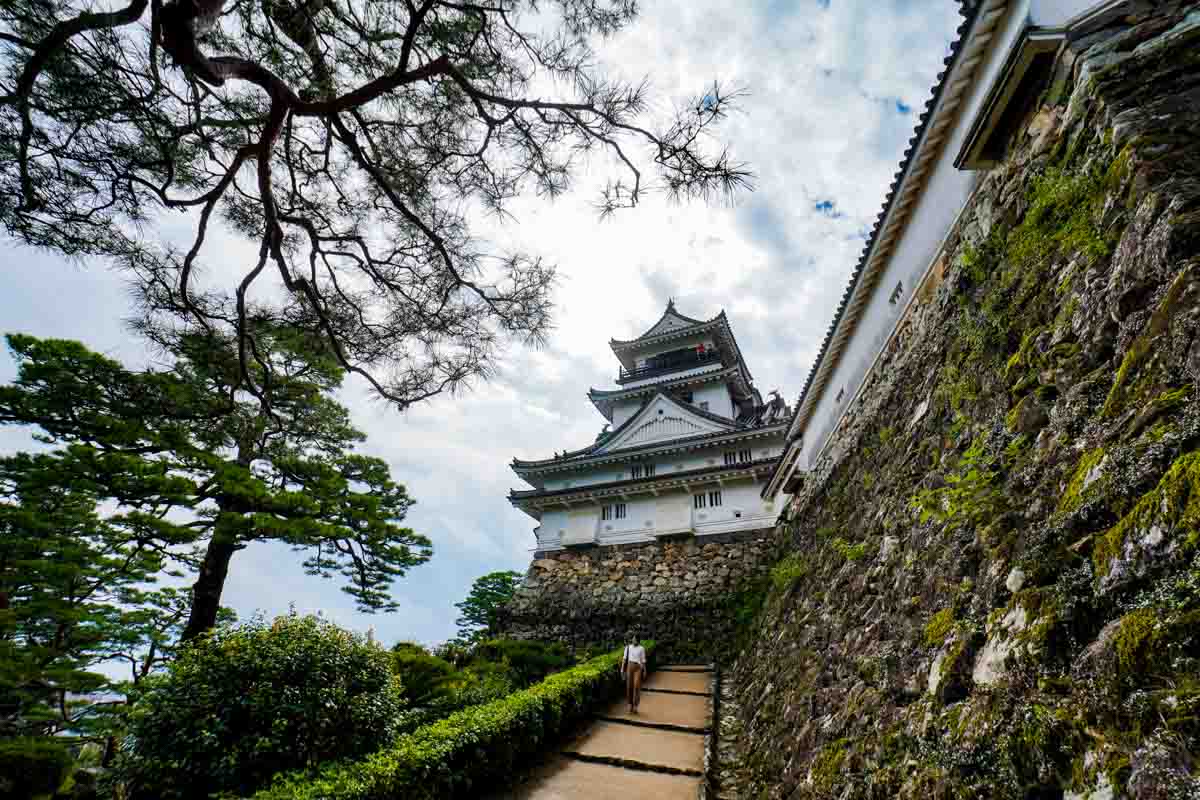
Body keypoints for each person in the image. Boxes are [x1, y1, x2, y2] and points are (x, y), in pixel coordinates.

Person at [620, 632, 647, 714]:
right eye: (633, 639)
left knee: (636, 686)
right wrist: (622, 669)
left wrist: (645, 670)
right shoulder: (628, 647)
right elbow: (624, 659)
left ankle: (635, 705)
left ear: (638, 640)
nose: (634, 640)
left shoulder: (641, 648)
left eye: (635, 639)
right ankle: (630, 704)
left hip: (638, 668)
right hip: (629, 667)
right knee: (629, 686)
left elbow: (643, 660)